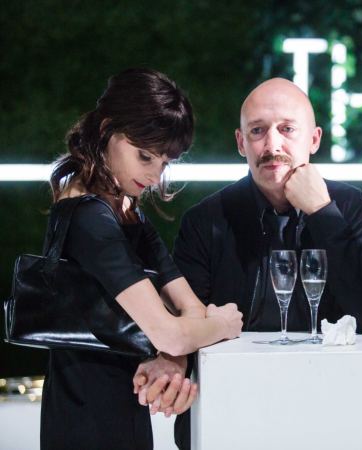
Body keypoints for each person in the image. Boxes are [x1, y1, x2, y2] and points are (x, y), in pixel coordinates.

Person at [134, 77, 362, 449]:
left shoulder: (351, 208)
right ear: (241, 142)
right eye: (257, 131)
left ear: (314, 139)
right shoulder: (205, 220)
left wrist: (323, 213)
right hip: (230, 412)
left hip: (329, 408)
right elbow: (186, 317)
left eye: (287, 129)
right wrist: (173, 360)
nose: (272, 146)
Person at [40, 68, 243, 450]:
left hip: (126, 404)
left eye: (164, 162)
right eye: (145, 156)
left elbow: (190, 308)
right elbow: (171, 332)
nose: (153, 175)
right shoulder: (87, 217)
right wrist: (223, 324)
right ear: (107, 129)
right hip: (84, 418)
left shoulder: (127, 212)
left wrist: (173, 354)